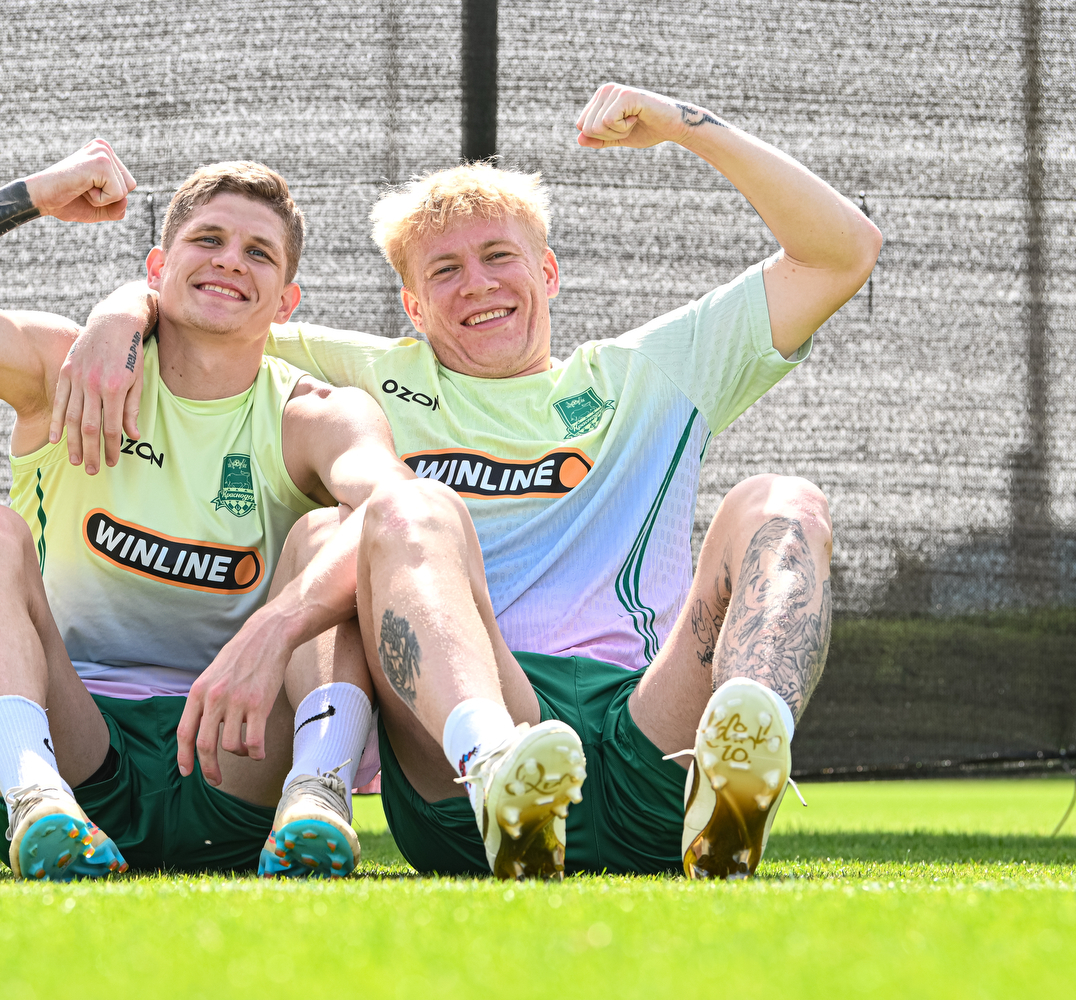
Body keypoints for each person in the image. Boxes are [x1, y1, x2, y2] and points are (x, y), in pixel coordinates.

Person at [67, 84, 883, 879]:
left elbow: (843, 252)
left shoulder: (651, 372)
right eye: (445, 270)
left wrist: (681, 125)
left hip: (649, 738)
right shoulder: (365, 376)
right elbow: (216, 304)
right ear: (413, 307)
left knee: (785, 502)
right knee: (403, 507)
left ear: (548, 271)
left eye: (499, 256)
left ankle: (743, 756)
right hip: (465, 763)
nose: (478, 284)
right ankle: (498, 770)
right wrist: (122, 310)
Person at [0, 144, 451, 881]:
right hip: (74, 748)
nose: (230, 261)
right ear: (156, 268)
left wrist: (273, 628)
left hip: (237, 756)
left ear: (285, 302)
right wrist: (34, 195)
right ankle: (36, 804)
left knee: (334, 531)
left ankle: (316, 799)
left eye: (258, 253)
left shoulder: (313, 413)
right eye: (208, 239)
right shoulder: (65, 366)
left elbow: (394, 506)